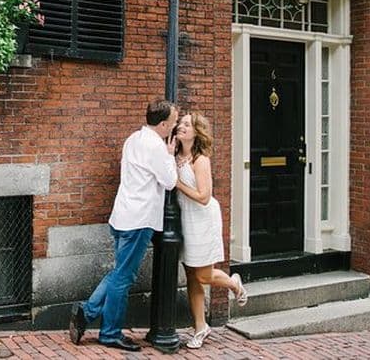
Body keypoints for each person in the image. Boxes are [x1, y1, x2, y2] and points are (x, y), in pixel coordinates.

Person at [68, 100, 179, 352]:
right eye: (172, 122)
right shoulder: (157, 148)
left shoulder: (133, 139)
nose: (173, 126)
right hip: (139, 220)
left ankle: (88, 312)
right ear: (163, 124)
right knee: (123, 277)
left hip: (122, 216)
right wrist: (171, 156)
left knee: (119, 272)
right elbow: (170, 181)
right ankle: (109, 333)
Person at [173, 112, 247, 349]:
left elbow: (204, 197)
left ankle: (234, 284)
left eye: (187, 124)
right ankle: (200, 327)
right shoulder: (175, 155)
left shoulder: (200, 159)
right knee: (192, 277)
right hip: (185, 220)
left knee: (204, 275)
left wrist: (178, 183)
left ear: (196, 132)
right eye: (180, 123)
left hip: (202, 219)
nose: (181, 126)